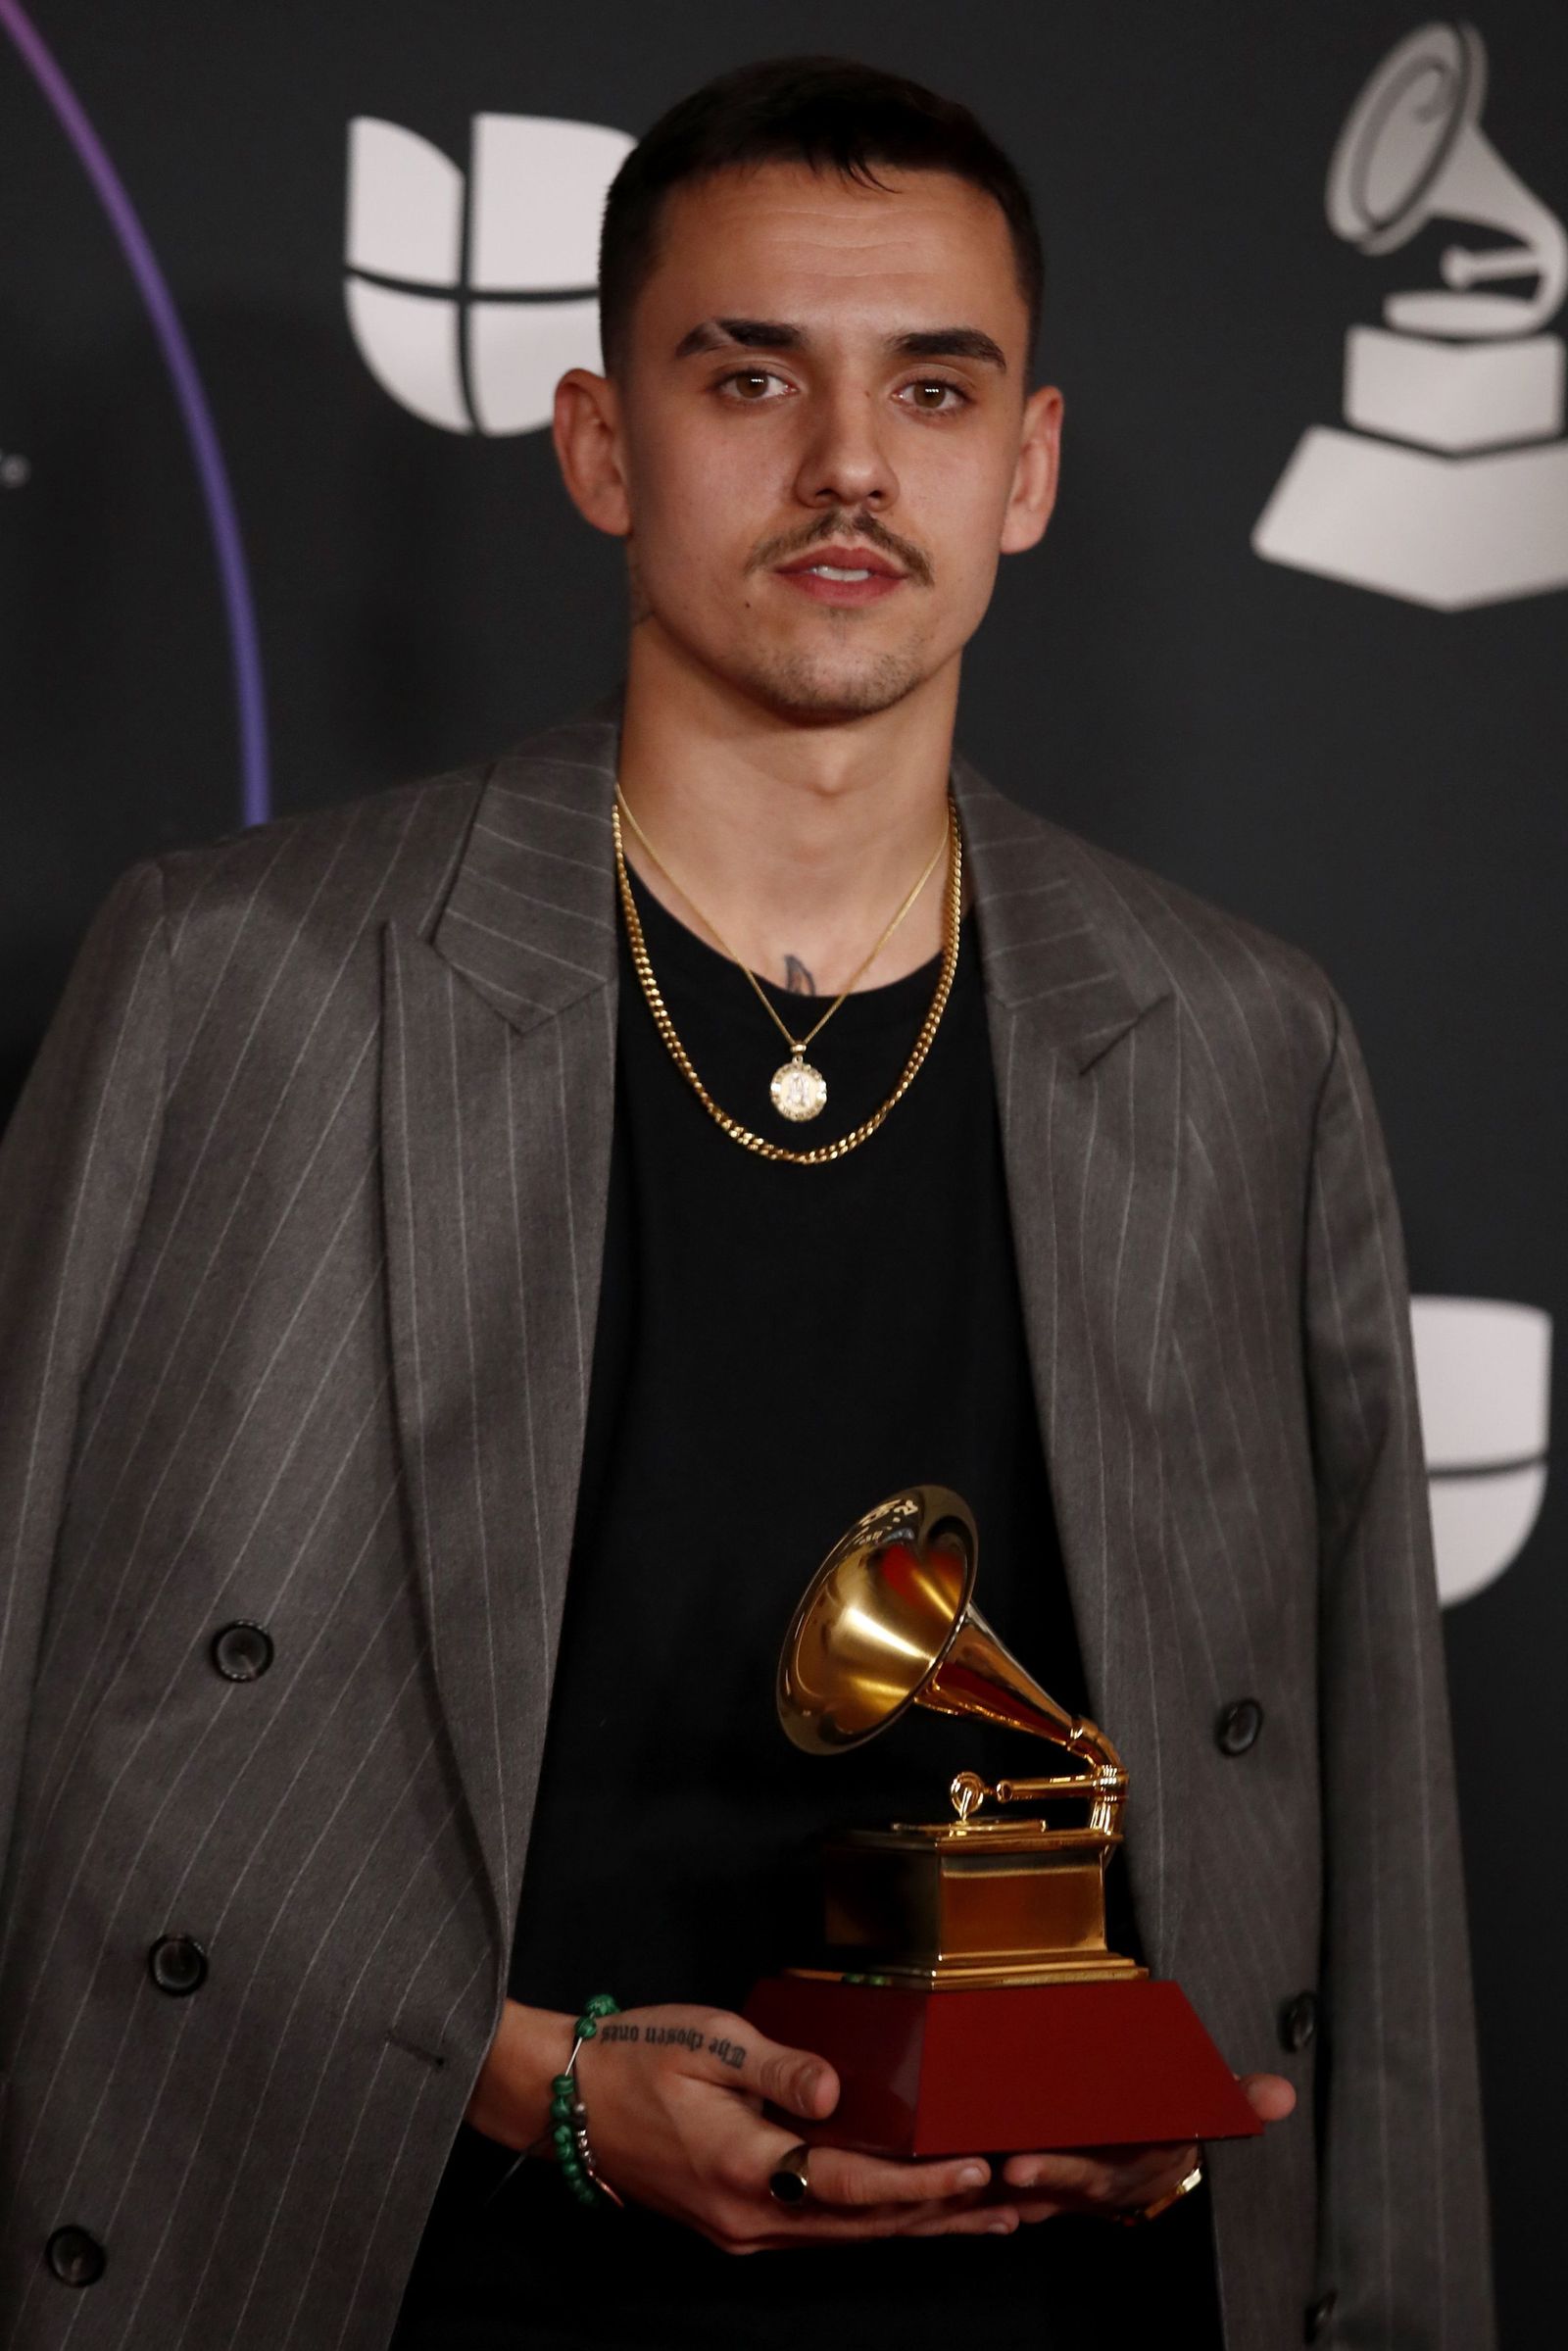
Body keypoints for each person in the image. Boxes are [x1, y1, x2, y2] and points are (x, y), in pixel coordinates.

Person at [0, 52, 1492, 2351]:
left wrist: (1228, 2154)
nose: (844, 470)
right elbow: (48, 1722)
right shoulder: (239, 979)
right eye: (746, 376)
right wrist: (525, 2086)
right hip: (406, 2278)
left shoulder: (1235, 1046)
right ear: (605, 443)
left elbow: (1362, 1844)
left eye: (930, 386)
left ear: (1030, 465)